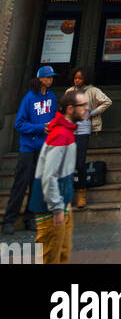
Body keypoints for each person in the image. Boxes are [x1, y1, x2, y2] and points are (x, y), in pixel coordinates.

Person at [28, 87, 88, 264]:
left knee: (62, 254)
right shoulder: (60, 135)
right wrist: (56, 207)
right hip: (50, 208)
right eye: (82, 105)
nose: (86, 109)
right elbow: (49, 175)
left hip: (61, 204)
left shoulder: (67, 132)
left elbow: (63, 173)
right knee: (50, 256)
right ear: (70, 108)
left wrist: (66, 200)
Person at [1, 66, 57, 235]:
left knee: (37, 185)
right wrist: (40, 127)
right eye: (47, 77)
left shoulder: (52, 97)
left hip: (44, 148)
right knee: (21, 184)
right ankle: (9, 220)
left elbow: (53, 119)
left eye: (52, 77)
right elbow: (19, 124)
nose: (50, 80)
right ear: (40, 79)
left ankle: (30, 218)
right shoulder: (29, 98)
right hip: (28, 148)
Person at [70, 68, 112, 210]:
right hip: (70, 129)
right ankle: (68, 195)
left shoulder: (92, 91)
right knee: (69, 163)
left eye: (80, 78)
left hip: (83, 130)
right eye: (75, 78)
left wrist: (92, 113)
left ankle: (82, 193)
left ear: (85, 79)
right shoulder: (70, 91)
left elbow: (107, 102)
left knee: (80, 163)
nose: (77, 80)